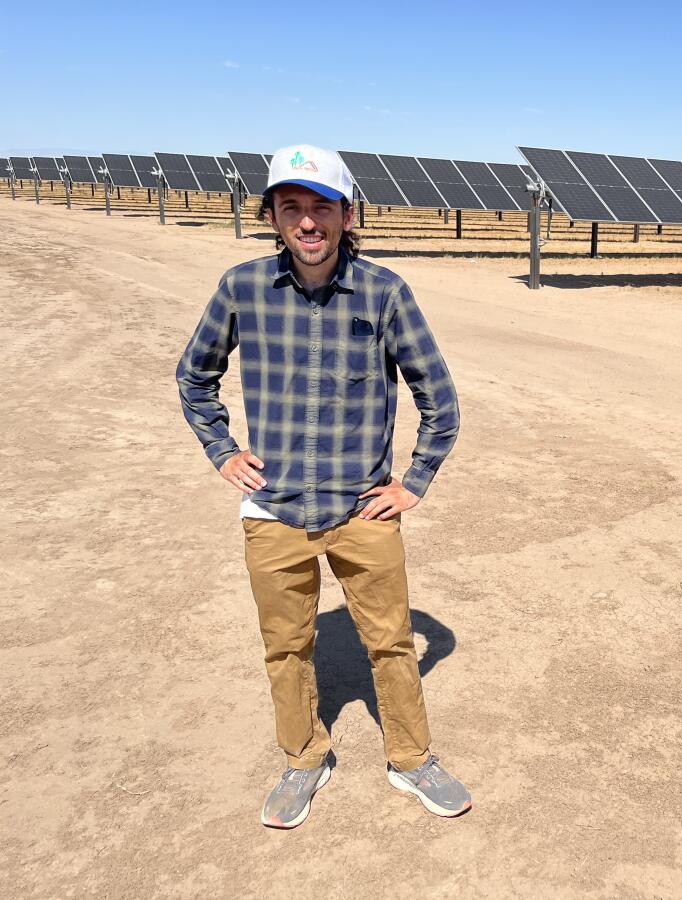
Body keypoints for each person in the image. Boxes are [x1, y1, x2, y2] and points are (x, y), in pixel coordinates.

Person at [176, 144, 468, 828]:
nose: (307, 222)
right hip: (274, 511)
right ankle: (304, 759)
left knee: (391, 641)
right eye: (291, 208)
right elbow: (194, 376)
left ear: (346, 215)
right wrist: (222, 451)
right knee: (286, 646)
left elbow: (440, 397)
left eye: (320, 208)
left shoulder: (385, 292)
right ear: (273, 216)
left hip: (362, 507)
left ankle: (411, 758)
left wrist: (414, 482)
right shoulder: (240, 288)